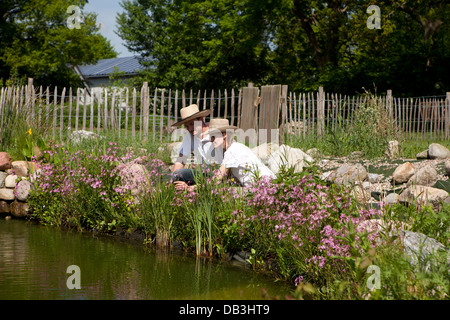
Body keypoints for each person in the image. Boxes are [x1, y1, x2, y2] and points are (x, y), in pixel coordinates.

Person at [175, 118, 276, 191]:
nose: (210, 140)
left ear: (224, 135)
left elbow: (216, 181)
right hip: (259, 186)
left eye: (213, 137)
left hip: (265, 187)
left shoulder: (233, 150)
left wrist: (192, 188)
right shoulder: (232, 149)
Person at [170, 104, 219, 188]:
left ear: (201, 119)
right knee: (178, 174)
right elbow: (181, 160)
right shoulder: (190, 136)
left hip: (219, 173)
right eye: (187, 126)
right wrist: (173, 179)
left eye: (192, 124)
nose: (189, 129)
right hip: (204, 173)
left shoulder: (214, 132)